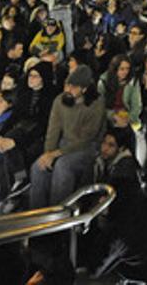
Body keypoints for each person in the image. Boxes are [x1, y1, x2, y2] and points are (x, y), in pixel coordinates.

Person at [31, 64, 104, 208]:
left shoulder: (96, 104)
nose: (68, 90)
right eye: (67, 85)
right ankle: (36, 212)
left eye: (73, 87)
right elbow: (53, 130)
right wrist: (48, 153)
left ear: (84, 89)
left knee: (63, 167)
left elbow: (86, 139)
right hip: (65, 143)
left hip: (87, 147)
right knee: (38, 167)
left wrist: (56, 154)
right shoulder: (59, 101)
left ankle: (58, 212)